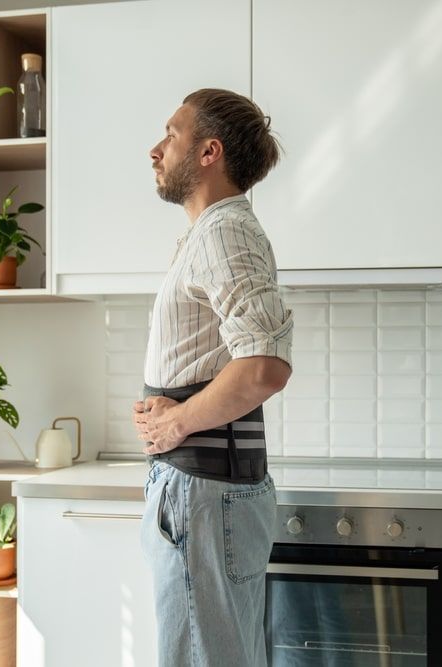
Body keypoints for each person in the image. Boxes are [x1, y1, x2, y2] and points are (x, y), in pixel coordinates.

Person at [132, 88, 293, 667]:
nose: (156, 150)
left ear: (209, 152)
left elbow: (264, 367)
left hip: (201, 493)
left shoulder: (225, 233)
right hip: (196, 491)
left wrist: (174, 421)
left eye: (171, 135)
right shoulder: (209, 235)